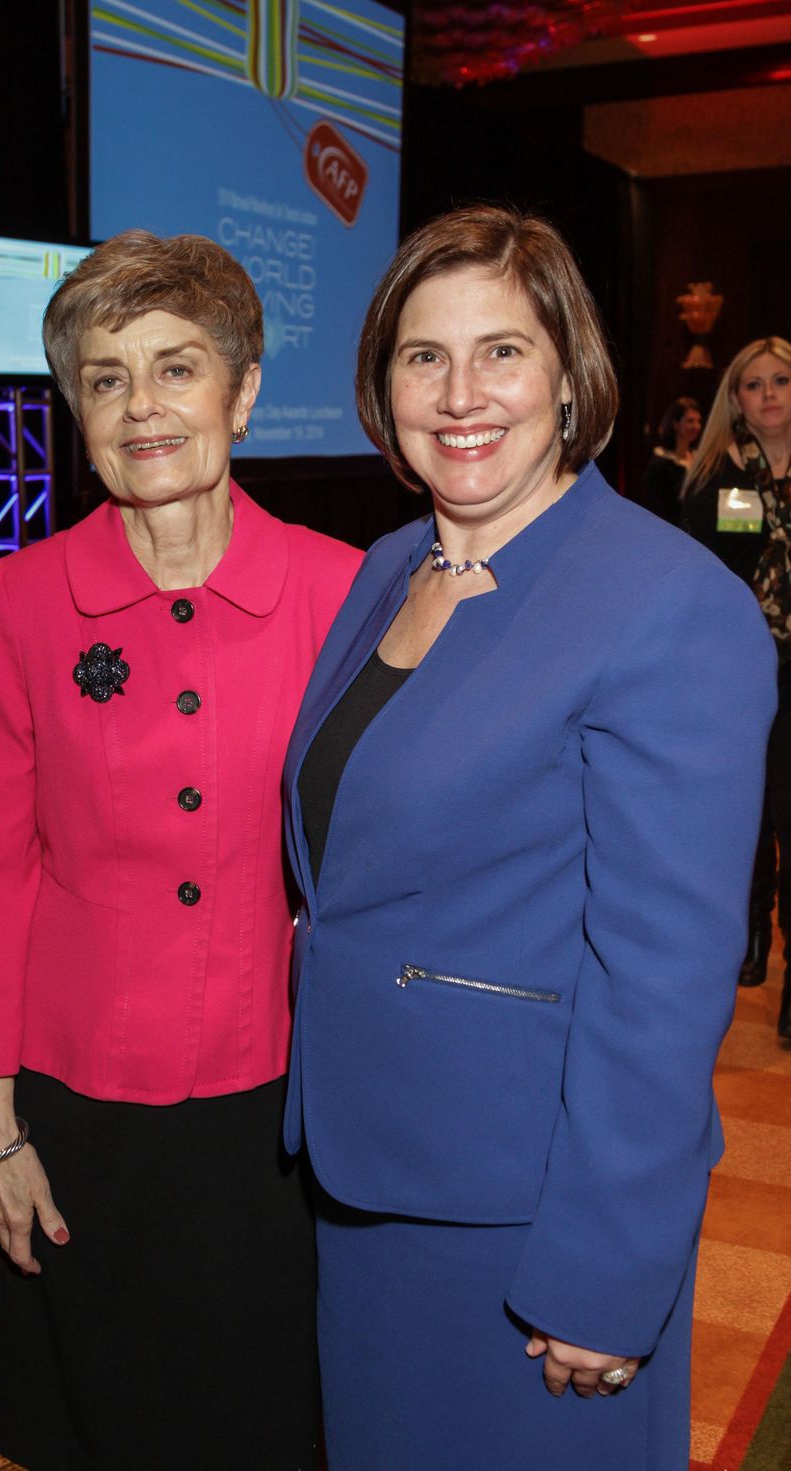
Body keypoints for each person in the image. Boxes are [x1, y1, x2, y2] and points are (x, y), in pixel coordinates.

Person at [281, 207, 775, 1471]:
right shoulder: (390, 563)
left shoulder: (668, 605)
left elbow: (660, 986)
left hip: (524, 1216)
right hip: (366, 1177)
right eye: (420, 355)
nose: (458, 393)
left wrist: (603, 1272)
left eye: (500, 350)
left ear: (570, 375)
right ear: (380, 384)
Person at [0, 229, 361, 1470]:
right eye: (106, 377)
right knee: (99, 1412)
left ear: (241, 388)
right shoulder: (18, 604)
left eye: (178, 368)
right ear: (75, 409)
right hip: (76, 1102)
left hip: (281, 1099)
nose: (143, 406)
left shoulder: (347, 594)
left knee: (265, 1410)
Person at [682, 337, 791, 1035]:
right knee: (754, 808)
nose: (770, 394)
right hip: (749, 661)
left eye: (782, 380)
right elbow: (704, 572)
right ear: (736, 399)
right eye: (754, 384)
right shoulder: (718, 476)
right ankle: (752, 926)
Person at [641, 396, 702, 524]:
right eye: (690, 421)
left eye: (698, 421)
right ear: (675, 424)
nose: (696, 426)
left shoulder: (699, 458)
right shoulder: (660, 464)